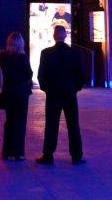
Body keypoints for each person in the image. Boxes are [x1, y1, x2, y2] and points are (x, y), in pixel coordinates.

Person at [36, 24, 84, 165]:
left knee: (51, 125)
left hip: (53, 95)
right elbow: (80, 75)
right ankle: (76, 156)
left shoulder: (46, 53)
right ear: (65, 36)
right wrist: (75, 89)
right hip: (69, 94)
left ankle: (48, 155)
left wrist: (47, 89)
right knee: (73, 125)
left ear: (54, 36)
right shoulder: (75, 53)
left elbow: (41, 75)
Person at [0, 31, 33, 162]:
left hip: (8, 92)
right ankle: (18, 152)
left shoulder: (3, 56)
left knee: (9, 122)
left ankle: (6, 152)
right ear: (21, 43)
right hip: (21, 93)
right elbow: (29, 74)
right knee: (20, 122)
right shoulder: (22, 58)